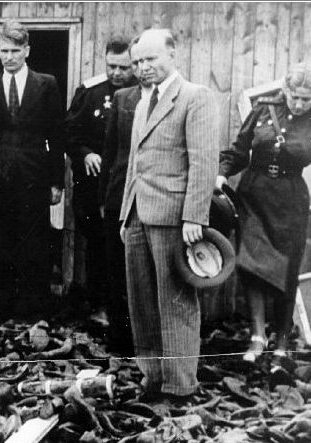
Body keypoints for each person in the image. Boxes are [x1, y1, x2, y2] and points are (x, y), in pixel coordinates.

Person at [119, 29, 218, 404]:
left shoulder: (195, 97)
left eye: (150, 59)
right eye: (138, 62)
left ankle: (179, 384)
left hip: (174, 218)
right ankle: (153, 376)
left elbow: (204, 161)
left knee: (175, 301)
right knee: (141, 301)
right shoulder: (142, 103)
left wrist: (194, 216)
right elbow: (135, 164)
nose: (143, 68)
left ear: (173, 53)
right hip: (138, 217)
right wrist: (125, 216)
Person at [218, 62, 311, 362]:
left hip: (290, 198)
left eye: (307, 99)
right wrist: (222, 173)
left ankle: (281, 339)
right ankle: (257, 336)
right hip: (254, 192)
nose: (299, 103)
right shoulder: (264, 109)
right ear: (285, 90)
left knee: (287, 269)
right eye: (295, 96)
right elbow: (239, 150)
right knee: (250, 263)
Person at [0, 20, 65, 319]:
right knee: (1, 241)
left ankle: (33, 308)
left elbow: (56, 135)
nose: (9, 56)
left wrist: (56, 182)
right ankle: (3, 307)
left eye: (15, 50)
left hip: (34, 179)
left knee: (34, 243)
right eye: (4, 51)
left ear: (27, 50)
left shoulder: (46, 84)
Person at [65, 36, 137, 325]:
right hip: (93, 185)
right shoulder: (90, 92)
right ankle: (99, 308)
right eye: (111, 66)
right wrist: (85, 154)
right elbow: (68, 133)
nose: (116, 74)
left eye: (123, 67)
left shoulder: (143, 92)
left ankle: (128, 311)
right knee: (97, 244)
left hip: (128, 186)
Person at [99, 37, 150, 356]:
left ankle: (147, 338)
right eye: (138, 62)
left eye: (143, 63)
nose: (141, 69)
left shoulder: (178, 98)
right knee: (115, 268)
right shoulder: (122, 98)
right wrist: (106, 196)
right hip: (120, 194)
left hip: (154, 197)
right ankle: (119, 338)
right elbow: (111, 150)